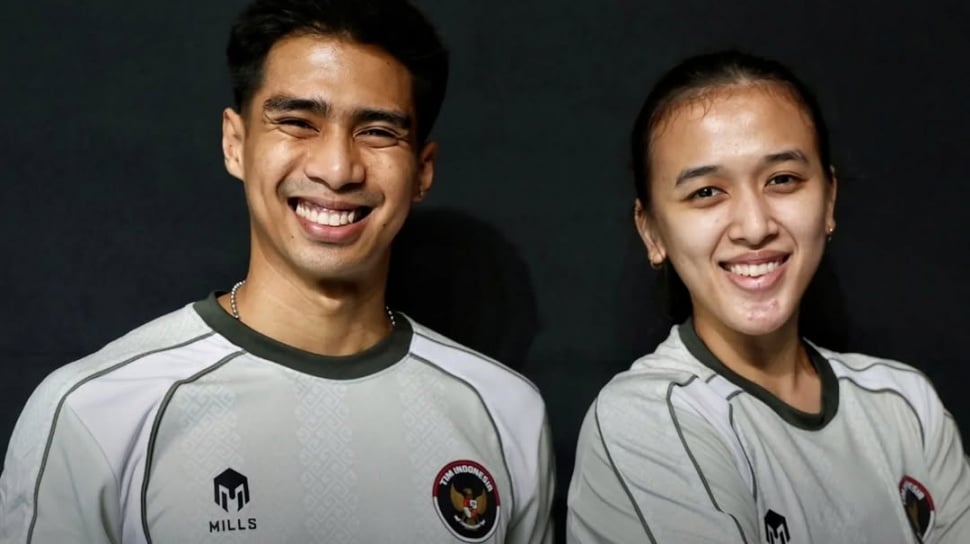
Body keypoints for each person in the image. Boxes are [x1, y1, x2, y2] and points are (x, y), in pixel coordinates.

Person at [0, 1, 554, 542]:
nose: (337, 169)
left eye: (377, 131)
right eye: (297, 122)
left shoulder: (504, 412)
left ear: (423, 172)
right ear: (235, 144)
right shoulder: (97, 412)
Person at [566, 50, 970, 543]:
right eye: (706, 192)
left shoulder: (906, 405)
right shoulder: (646, 420)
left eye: (782, 180)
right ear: (652, 231)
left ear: (829, 200)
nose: (755, 227)